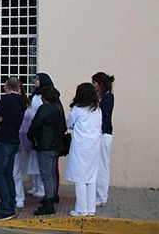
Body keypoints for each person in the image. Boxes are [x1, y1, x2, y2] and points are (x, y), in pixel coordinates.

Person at [0, 77, 25, 222]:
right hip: (13, 140)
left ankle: (6, 208)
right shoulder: (22, 102)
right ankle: (11, 204)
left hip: (3, 140)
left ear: (6, 87)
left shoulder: (7, 100)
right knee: (8, 174)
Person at [27, 86, 66, 215]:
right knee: (51, 173)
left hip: (45, 145)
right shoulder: (59, 108)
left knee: (46, 175)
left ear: (45, 97)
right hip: (56, 145)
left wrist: (30, 136)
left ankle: (49, 202)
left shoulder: (44, 109)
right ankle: (52, 196)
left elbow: (35, 125)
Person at [65, 83, 102, 217]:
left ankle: (81, 209)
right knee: (91, 177)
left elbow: (68, 123)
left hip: (80, 147)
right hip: (94, 146)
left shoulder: (77, 109)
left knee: (80, 178)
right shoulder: (97, 109)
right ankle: (91, 208)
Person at [12, 84, 37, 209]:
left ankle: (35, 189)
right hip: (15, 141)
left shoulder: (28, 105)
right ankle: (19, 197)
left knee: (28, 169)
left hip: (26, 141)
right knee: (15, 171)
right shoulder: (9, 103)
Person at [93, 72, 115, 207]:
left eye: (94, 83)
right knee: (97, 165)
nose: (93, 86)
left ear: (101, 84)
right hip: (98, 135)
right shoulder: (100, 97)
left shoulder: (108, 98)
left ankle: (102, 196)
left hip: (104, 134)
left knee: (102, 166)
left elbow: (103, 114)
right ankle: (98, 194)